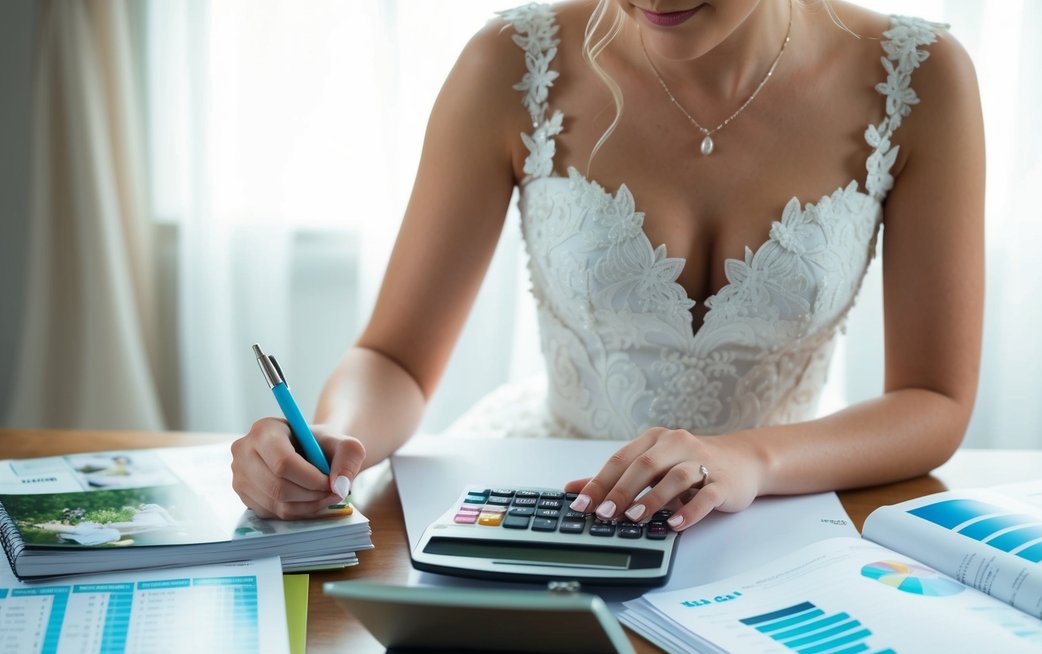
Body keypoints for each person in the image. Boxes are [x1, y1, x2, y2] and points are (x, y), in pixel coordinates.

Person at [231, 0, 984, 532]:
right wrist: (331, 440)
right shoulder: (510, 63)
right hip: (554, 497)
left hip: (781, 502)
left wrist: (752, 459)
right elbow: (394, 358)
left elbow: (934, 399)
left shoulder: (920, 78)